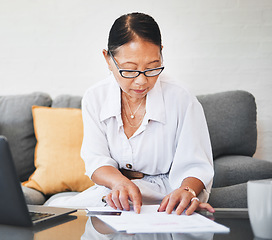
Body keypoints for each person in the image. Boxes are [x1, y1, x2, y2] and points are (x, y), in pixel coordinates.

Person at [46, 12, 215, 215]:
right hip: (116, 192)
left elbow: (195, 165)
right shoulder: (95, 97)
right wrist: (119, 183)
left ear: (161, 53)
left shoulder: (182, 98)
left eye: (152, 68)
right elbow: (96, 160)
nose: (142, 81)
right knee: (54, 213)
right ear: (108, 59)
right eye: (130, 70)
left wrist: (186, 190)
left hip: (167, 196)